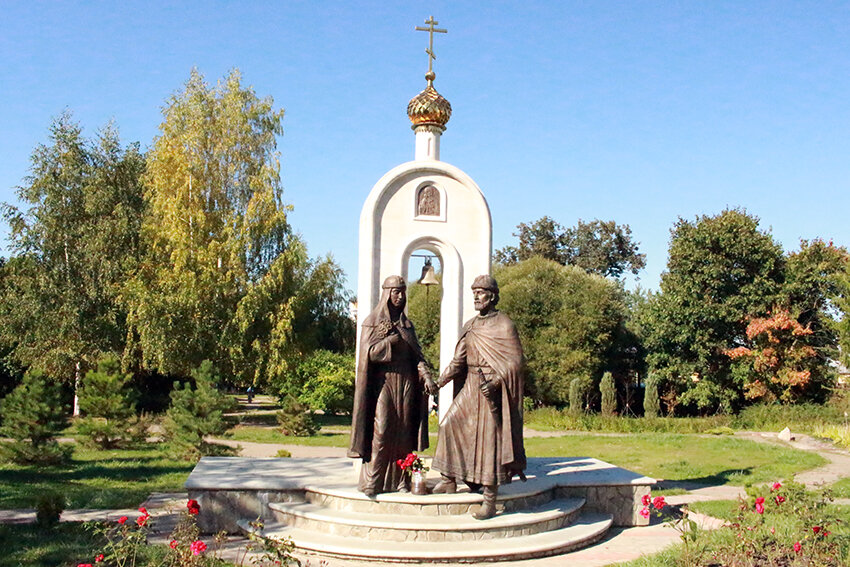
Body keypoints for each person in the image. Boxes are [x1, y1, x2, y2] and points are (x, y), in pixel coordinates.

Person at [431, 275, 527, 519]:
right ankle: (449, 479)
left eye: (481, 292)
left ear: (492, 296)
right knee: (449, 424)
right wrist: (439, 383)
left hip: (491, 391)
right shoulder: (471, 325)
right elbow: (458, 361)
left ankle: (490, 501)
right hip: (471, 385)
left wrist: (495, 382)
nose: (476, 296)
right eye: (474, 291)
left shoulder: (504, 325)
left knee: (490, 443)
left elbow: (516, 362)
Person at [347, 275, 438, 496]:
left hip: (406, 381)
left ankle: (401, 480)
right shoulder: (372, 321)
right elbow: (369, 354)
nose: (400, 296)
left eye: (403, 291)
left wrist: (426, 376)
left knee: (404, 430)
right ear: (387, 294)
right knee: (383, 428)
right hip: (384, 382)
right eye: (396, 292)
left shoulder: (407, 325)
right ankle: (373, 479)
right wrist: (389, 341)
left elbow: (418, 356)